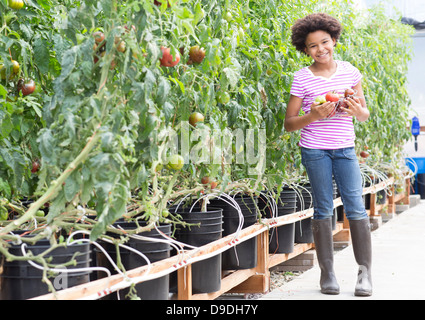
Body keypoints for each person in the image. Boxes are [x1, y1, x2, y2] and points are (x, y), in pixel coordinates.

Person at [284, 13, 372, 297]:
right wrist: (313, 115)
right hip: (315, 151)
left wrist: (356, 110)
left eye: (325, 42)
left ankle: (364, 273)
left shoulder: (350, 72)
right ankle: (328, 273)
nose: (321, 49)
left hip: (345, 149)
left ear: (334, 40)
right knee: (323, 208)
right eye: (313, 46)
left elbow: (364, 114)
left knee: (356, 207)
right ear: (305, 49)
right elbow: (289, 124)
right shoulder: (302, 78)